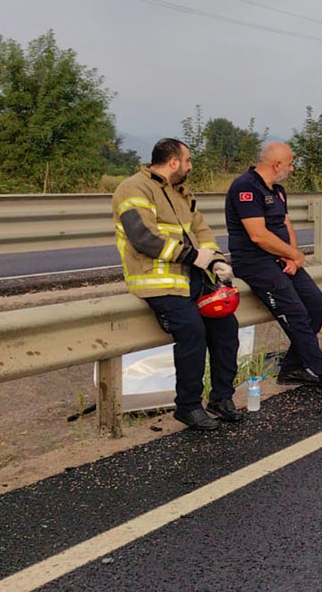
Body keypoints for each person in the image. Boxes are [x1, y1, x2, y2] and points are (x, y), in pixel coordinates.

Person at [113, 138, 242, 430]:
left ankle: (222, 398)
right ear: (174, 162)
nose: (190, 166)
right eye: (188, 160)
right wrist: (194, 256)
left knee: (226, 327)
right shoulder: (133, 188)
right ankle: (188, 406)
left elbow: (201, 230)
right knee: (192, 331)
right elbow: (142, 237)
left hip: (190, 278)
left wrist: (216, 260)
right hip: (155, 280)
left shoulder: (180, 193)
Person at [225, 142, 322, 397]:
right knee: (296, 314)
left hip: (281, 258)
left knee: (317, 305)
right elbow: (258, 235)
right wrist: (291, 253)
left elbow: (285, 224)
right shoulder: (245, 187)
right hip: (256, 263)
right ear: (277, 165)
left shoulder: (278, 190)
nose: (292, 168)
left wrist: (294, 256)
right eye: (290, 163)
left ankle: (292, 367)